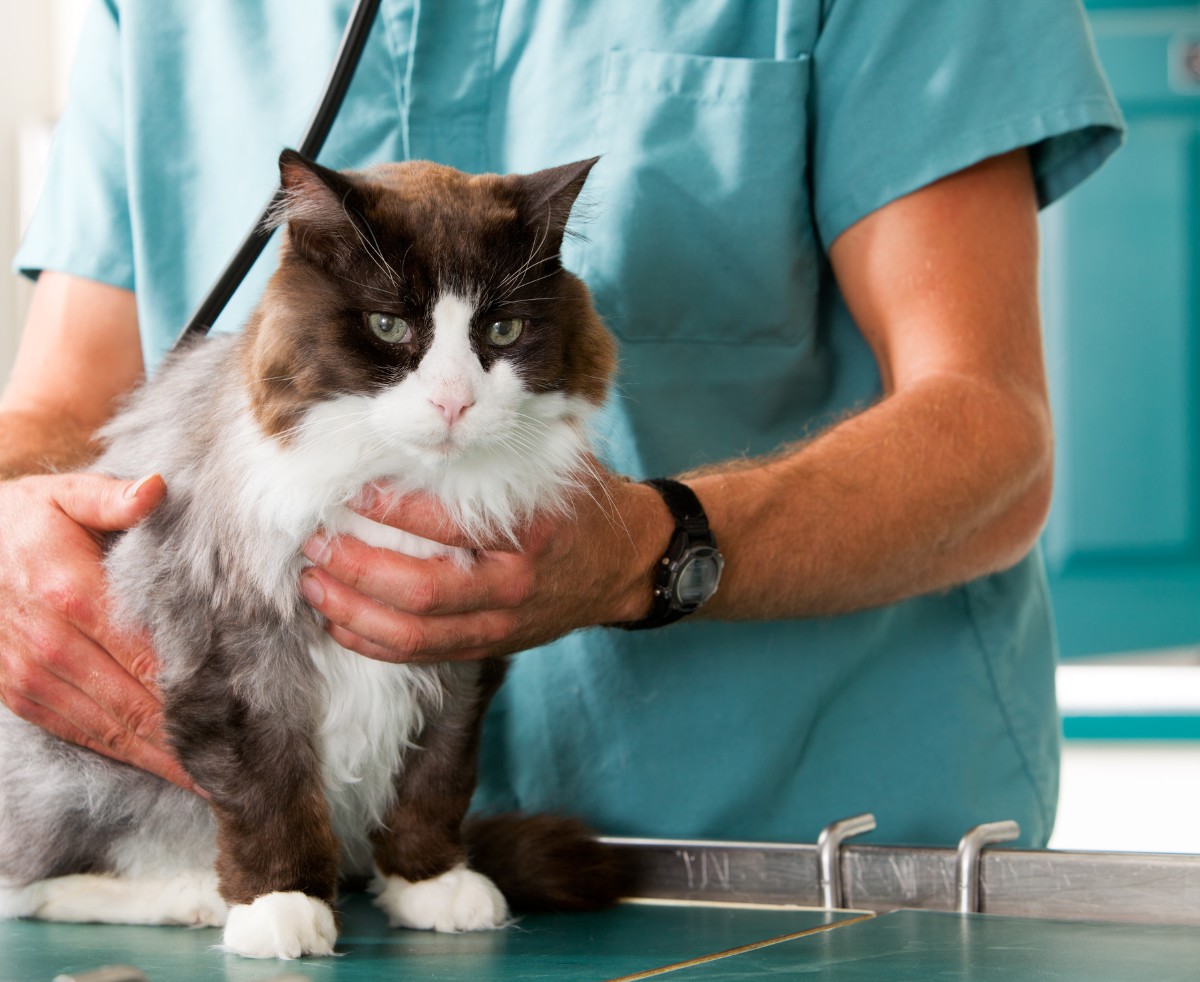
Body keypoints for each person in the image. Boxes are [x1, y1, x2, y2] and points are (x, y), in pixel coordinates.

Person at [2, 0, 1122, 846]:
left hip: (802, 858)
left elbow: (991, 434)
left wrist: (646, 551)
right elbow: (62, 403)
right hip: (308, 871)